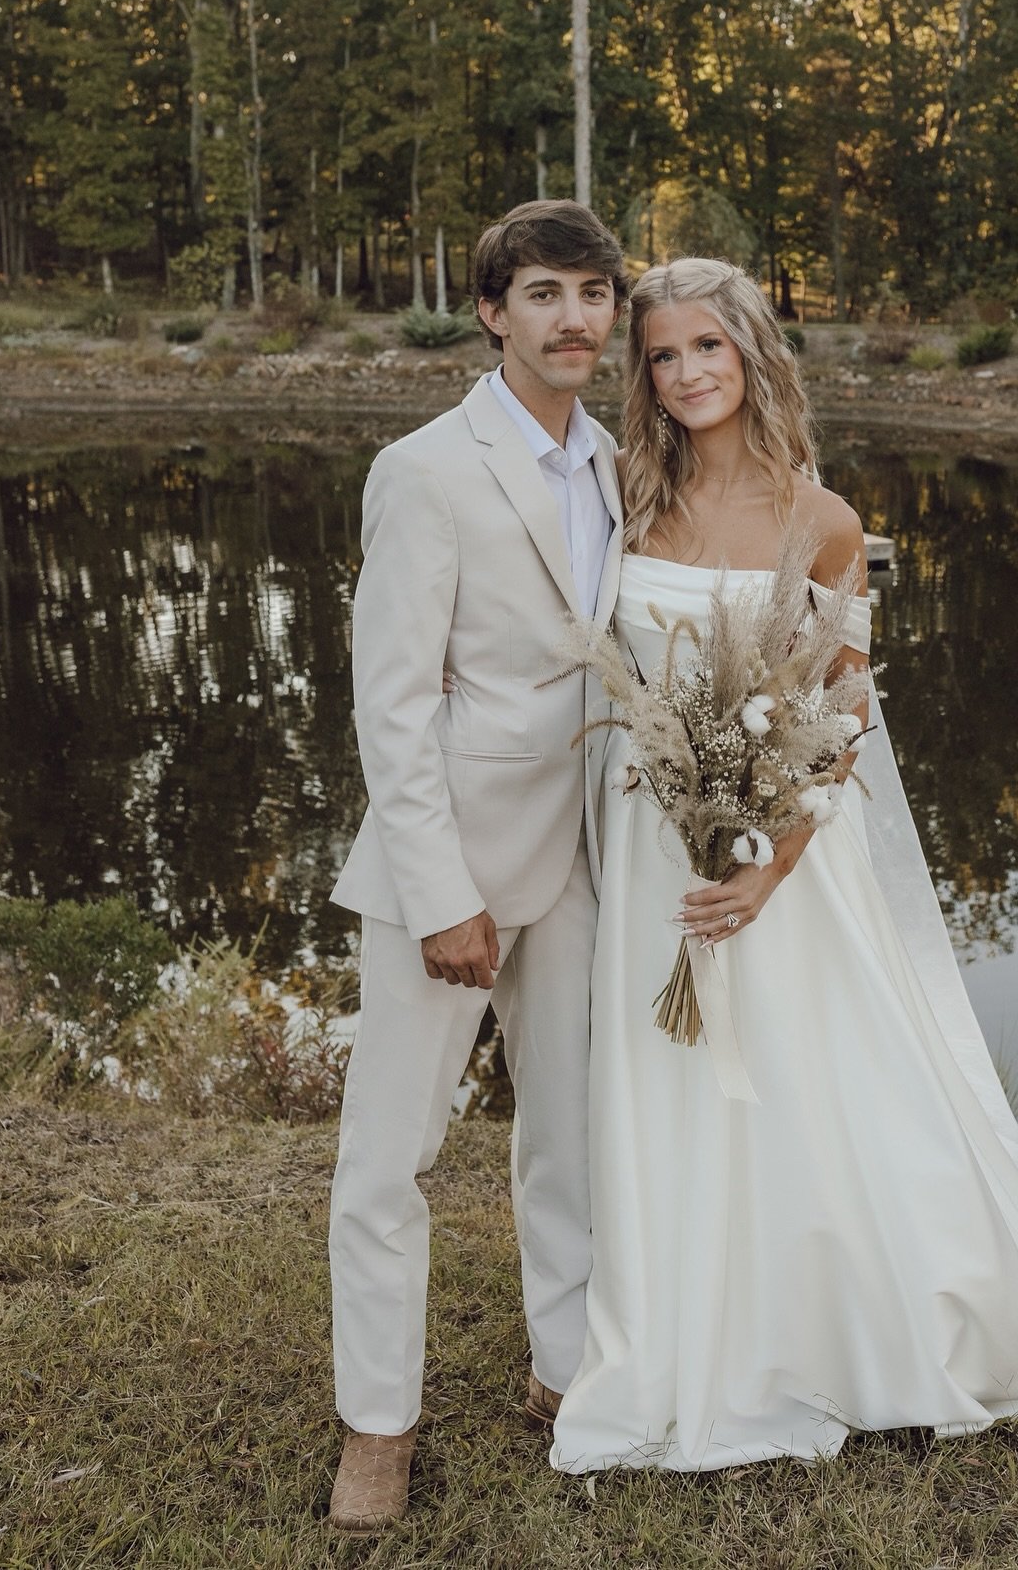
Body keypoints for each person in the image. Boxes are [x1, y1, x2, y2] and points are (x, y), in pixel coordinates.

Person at [549, 257, 1018, 1473]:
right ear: (642, 376)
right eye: (662, 355)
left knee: (810, 1084)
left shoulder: (825, 520)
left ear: (751, 352)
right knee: (667, 1081)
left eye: (709, 347)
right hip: (654, 850)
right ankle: (682, 1325)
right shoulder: (623, 501)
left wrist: (765, 866)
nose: (688, 372)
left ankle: (831, 1324)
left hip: (780, 864)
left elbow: (844, 718)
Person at [325, 199, 627, 1529]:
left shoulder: (619, 462)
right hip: (442, 868)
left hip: (580, 857)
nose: (574, 317)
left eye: (593, 294)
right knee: (389, 1162)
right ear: (493, 313)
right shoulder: (428, 467)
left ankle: (565, 1374)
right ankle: (376, 1427)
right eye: (545, 293)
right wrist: (443, 892)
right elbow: (390, 703)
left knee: (566, 1135)